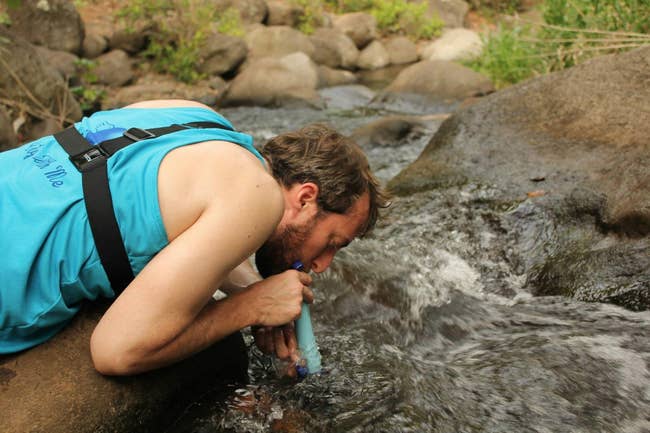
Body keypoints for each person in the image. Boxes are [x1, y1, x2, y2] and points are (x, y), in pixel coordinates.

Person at [0, 99, 389, 376]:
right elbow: (115, 352)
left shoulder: (199, 119)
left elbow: (181, 218)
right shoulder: (258, 199)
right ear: (306, 198)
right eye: (334, 242)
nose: (324, 264)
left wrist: (251, 287)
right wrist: (250, 307)